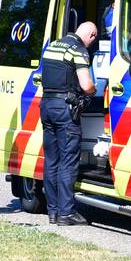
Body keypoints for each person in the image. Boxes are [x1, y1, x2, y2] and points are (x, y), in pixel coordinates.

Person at [39, 22, 98, 226]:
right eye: (94, 39)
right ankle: (67, 213)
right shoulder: (78, 50)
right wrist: (94, 90)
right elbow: (86, 84)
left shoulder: (53, 45)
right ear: (91, 35)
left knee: (51, 160)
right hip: (65, 109)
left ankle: (53, 211)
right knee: (68, 161)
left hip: (46, 105)